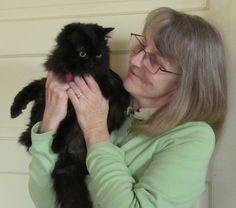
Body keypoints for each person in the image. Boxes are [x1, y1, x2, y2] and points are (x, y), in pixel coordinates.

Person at [28, 7, 227, 208]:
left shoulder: (193, 137)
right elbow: (47, 201)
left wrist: (96, 130)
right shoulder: (113, 106)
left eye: (154, 60)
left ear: (185, 84)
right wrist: (50, 122)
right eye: (141, 45)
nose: (134, 60)